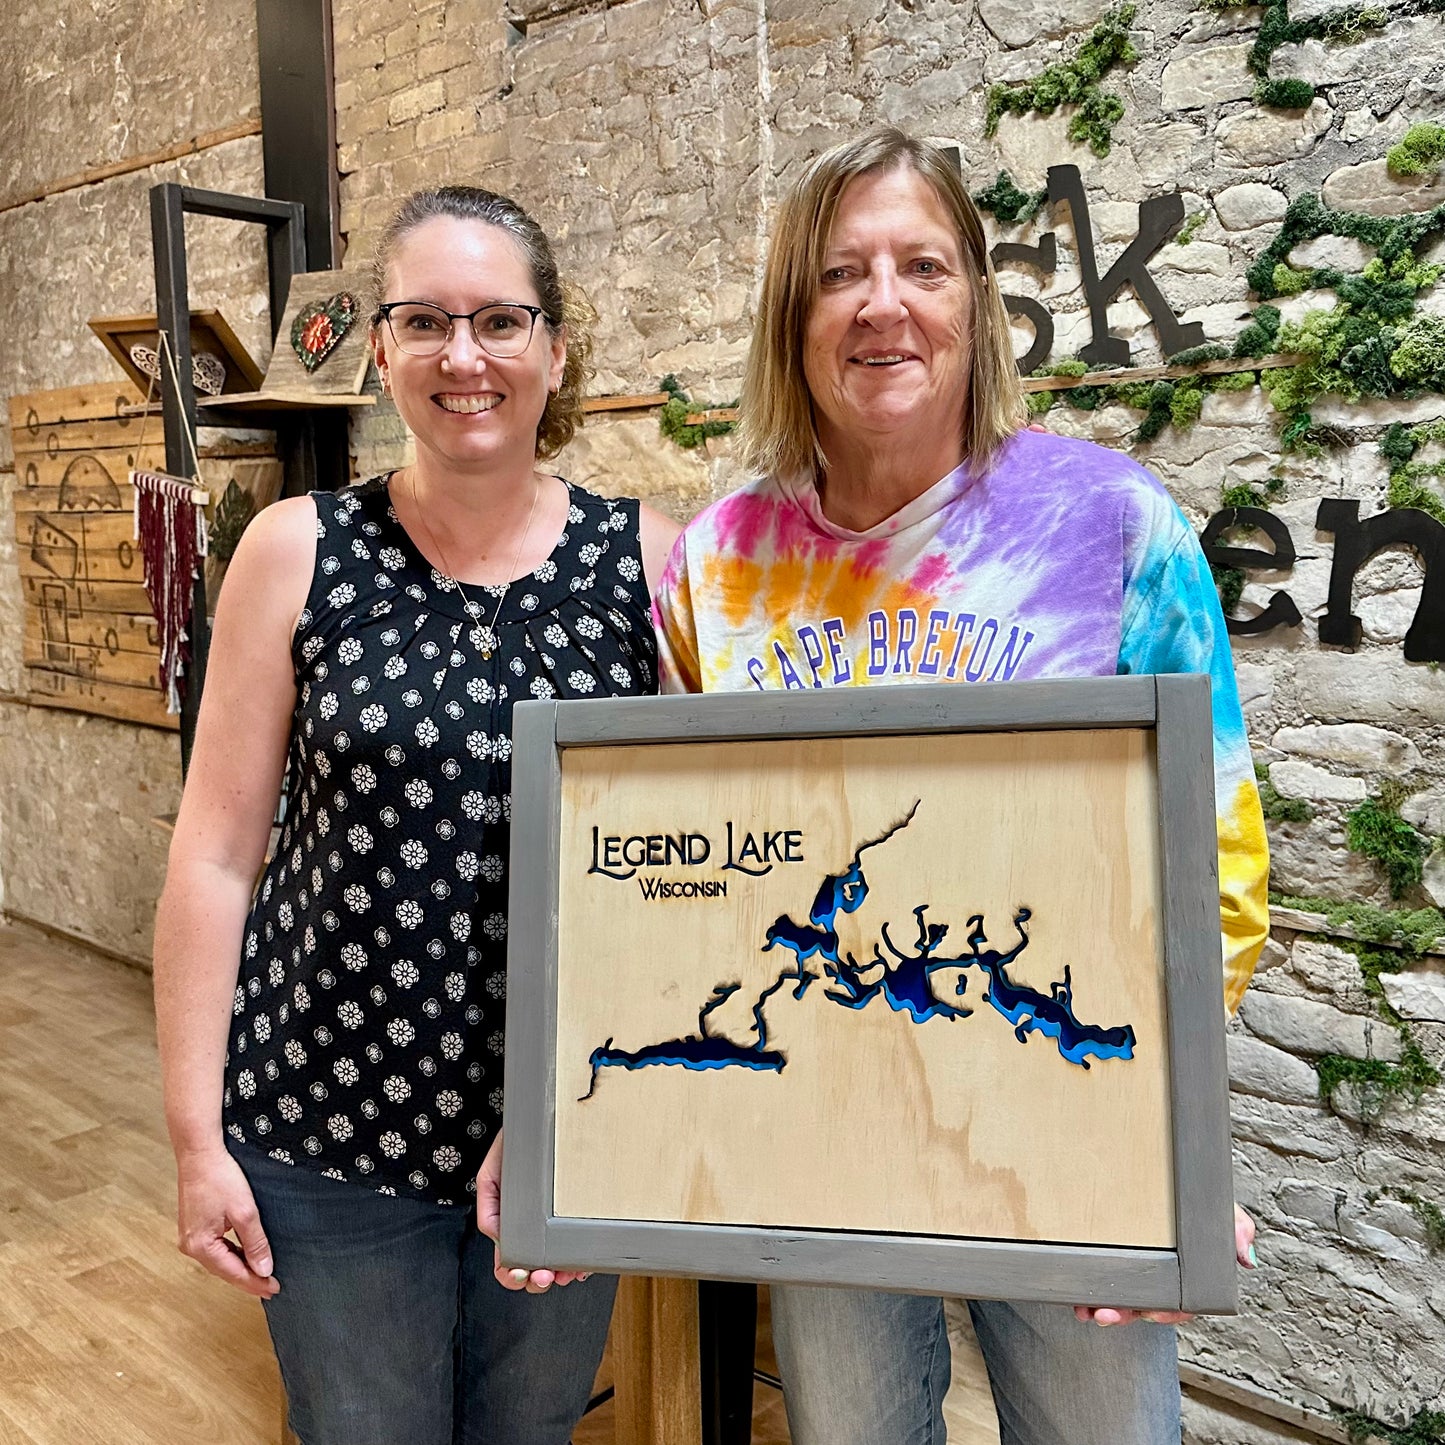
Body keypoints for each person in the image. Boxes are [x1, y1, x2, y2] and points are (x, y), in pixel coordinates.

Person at [650, 128, 1269, 1445]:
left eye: (922, 265)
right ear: (791, 314)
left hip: (1069, 1113)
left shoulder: (1113, 527)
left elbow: (1215, 853)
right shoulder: (717, 565)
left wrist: (1172, 1140)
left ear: (975, 304)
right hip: (821, 1127)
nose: (883, 302)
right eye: (839, 273)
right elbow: (690, 875)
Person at [153, 184, 679, 1445]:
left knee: (528, 1429)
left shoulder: (648, 565)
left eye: (501, 320)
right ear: (378, 347)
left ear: (555, 348)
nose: (464, 356)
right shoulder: (296, 550)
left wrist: (593, 1119)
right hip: (322, 1122)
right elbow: (216, 855)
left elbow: (682, 884)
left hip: (561, 1122)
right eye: (425, 321)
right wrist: (191, 1136)